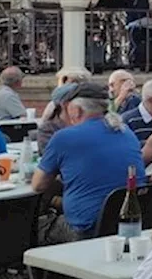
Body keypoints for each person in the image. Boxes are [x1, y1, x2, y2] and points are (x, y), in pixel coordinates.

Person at [32, 83, 146, 242]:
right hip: (130, 223)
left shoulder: (64, 137)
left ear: (76, 110)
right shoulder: (126, 132)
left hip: (86, 229)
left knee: (29, 228)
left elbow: (38, 185)